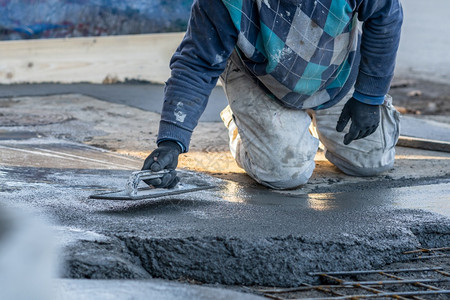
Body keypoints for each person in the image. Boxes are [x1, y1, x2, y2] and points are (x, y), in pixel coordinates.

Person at [142, 0, 403, 190]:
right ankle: (242, 121)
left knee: (371, 162)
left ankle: (307, 118)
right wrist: (171, 141)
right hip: (259, 77)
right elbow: (196, 63)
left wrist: (369, 97)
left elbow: (386, 15)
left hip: (336, 73)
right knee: (285, 174)